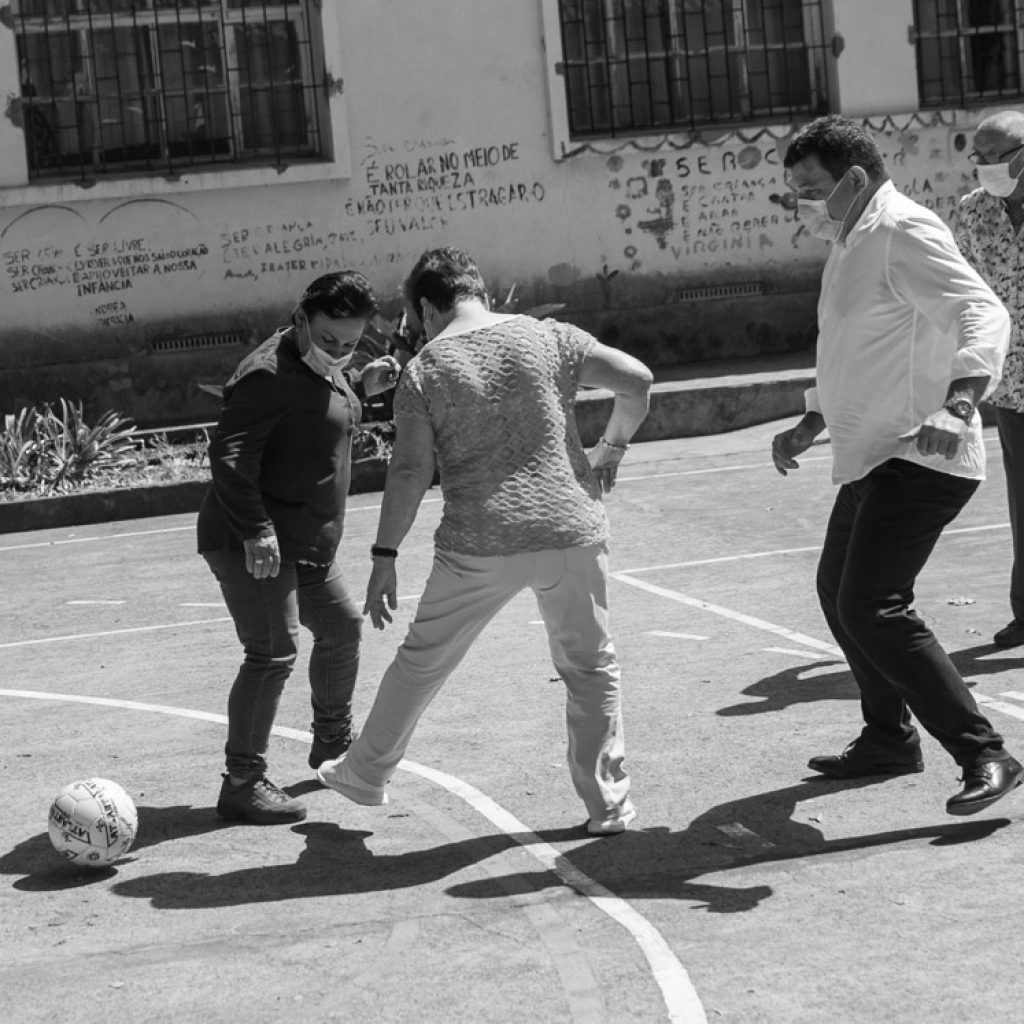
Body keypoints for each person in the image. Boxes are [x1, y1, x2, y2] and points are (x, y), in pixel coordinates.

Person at [317, 246, 653, 835]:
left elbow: (409, 472)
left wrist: (384, 556)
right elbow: (637, 380)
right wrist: (611, 448)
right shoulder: (550, 338)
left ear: (426, 307)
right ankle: (609, 805)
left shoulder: (426, 369)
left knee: (421, 662)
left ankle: (365, 774)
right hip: (571, 528)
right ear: (482, 293)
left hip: (479, 542)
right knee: (591, 667)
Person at [771, 115, 1022, 815]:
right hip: (873, 452)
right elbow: (854, 342)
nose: (805, 204)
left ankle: (985, 752)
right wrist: (813, 419)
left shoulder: (902, 229)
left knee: (872, 604)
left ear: (854, 178)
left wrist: (962, 403)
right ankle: (888, 737)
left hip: (924, 450)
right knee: (838, 592)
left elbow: (983, 312)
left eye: (812, 188)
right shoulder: (851, 236)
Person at [198, 271, 400, 825]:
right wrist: (257, 530)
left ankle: (332, 746)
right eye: (329, 339)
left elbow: (315, 416)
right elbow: (230, 458)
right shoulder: (267, 374)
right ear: (302, 317)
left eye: (351, 343)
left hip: (302, 541)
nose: (338, 351)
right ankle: (241, 782)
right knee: (272, 652)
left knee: (339, 629)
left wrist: (361, 384)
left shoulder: (320, 368)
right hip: (255, 541)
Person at [954, 109, 1024, 648]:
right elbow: (965, 297)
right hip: (1014, 385)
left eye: (993, 157)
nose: (983, 168)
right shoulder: (972, 214)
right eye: (976, 158)